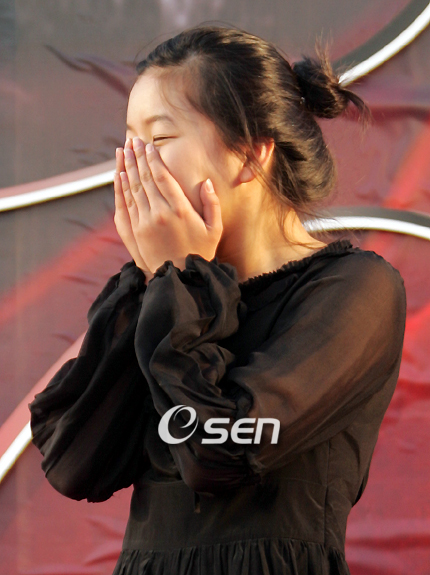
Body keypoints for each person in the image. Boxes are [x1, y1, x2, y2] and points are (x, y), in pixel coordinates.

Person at [29, 25, 407, 575]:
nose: (133, 164)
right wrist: (162, 282)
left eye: (159, 139)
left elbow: (217, 453)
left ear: (250, 154)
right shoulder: (161, 292)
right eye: (129, 142)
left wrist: (181, 279)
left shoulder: (355, 289)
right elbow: (73, 461)